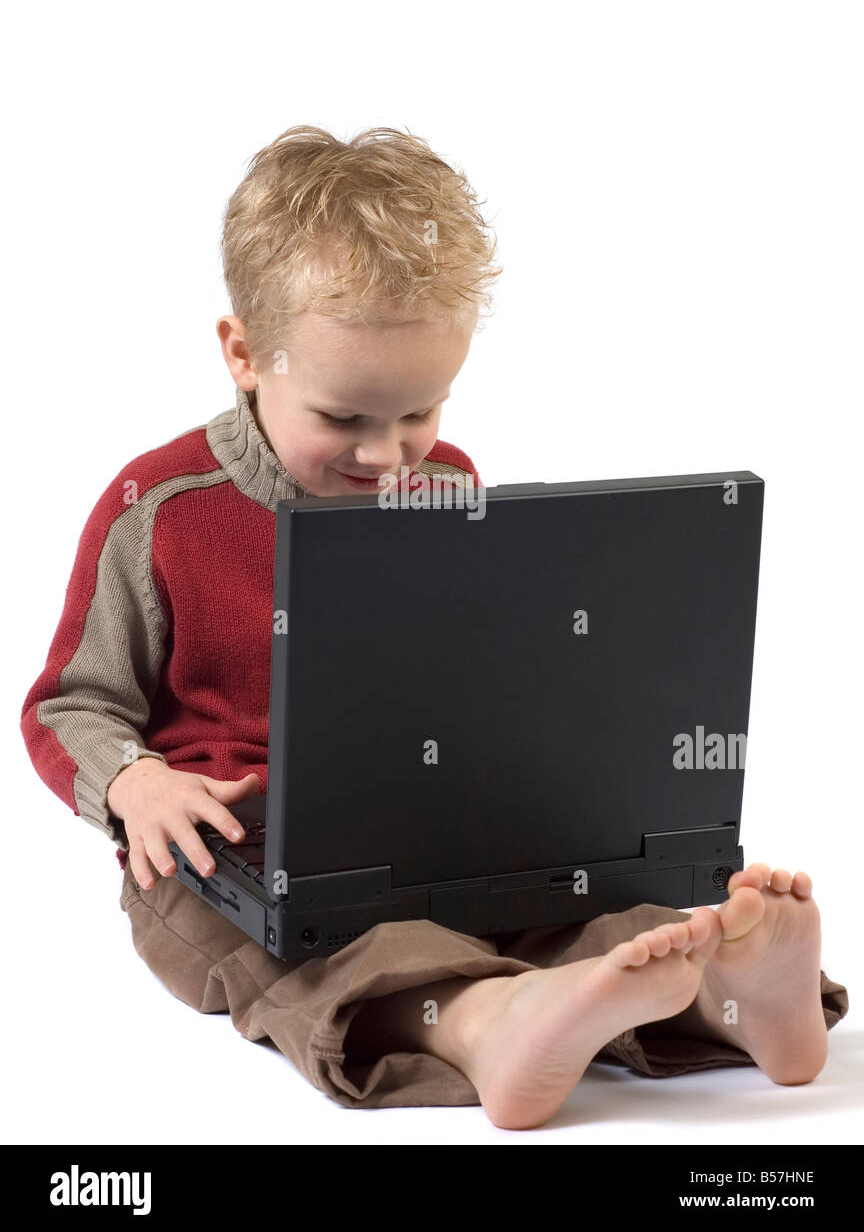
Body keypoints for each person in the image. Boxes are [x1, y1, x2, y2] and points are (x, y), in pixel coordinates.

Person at [21, 125, 848, 1130]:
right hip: (230, 854)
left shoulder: (446, 482)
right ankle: (487, 1021)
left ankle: (735, 994)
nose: (389, 455)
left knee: (597, 920)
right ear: (245, 352)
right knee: (355, 959)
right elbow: (69, 701)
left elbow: (478, 668)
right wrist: (131, 780)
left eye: (419, 412)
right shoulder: (159, 509)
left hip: (429, 829)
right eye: (346, 417)